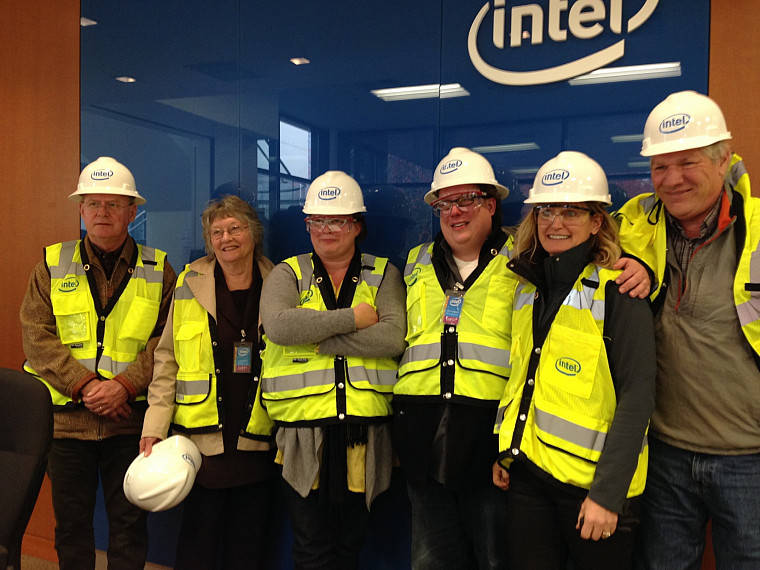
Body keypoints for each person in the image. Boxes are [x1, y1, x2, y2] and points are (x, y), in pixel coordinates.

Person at [615, 90, 760, 570]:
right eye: (660, 166)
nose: (671, 180)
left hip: (749, 458)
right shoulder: (636, 223)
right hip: (665, 455)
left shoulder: (758, 230)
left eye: (687, 162)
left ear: (724, 161)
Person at [492, 151, 656, 570]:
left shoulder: (619, 289)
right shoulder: (526, 285)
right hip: (529, 476)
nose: (555, 223)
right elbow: (522, 379)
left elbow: (638, 395)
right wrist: (508, 451)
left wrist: (608, 494)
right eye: (546, 210)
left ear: (596, 221)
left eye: (571, 212)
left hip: (592, 490)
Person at [20, 156, 176, 570]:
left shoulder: (160, 269)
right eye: (93, 204)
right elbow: (36, 335)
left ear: (132, 211)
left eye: (113, 204)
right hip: (67, 425)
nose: (102, 213)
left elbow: (168, 340)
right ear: (81, 210)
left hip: (130, 424)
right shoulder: (51, 265)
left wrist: (125, 385)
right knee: (72, 530)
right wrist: (87, 386)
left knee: (128, 528)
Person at [259, 171, 406, 569]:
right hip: (302, 438)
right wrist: (354, 319)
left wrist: (319, 337)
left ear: (356, 225)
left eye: (337, 220)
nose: (326, 230)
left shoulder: (384, 273)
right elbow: (280, 326)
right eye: (317, 221)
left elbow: (392, 338)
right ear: (307, 225)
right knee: (311, 548)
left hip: (367, 436)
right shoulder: (287, 273)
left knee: (350, 546)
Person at [139, 195, 276, 569]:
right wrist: (154, 425)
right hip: (202, 441)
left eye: (235, 228)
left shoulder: (281, 280)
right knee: (197, 546)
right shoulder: (189, 281)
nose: (226, 238)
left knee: (248, 548)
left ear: (253, 232)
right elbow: (166, 359)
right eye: (217, 231)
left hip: (258, 436)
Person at [393, 147, 513, 569]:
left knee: (497, 560)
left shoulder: (524, 262)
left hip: (491, 445)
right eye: (446, 203)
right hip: (423, 444)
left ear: (492, 204)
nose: (455, 212)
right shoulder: (413, 264)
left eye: (468, 200)